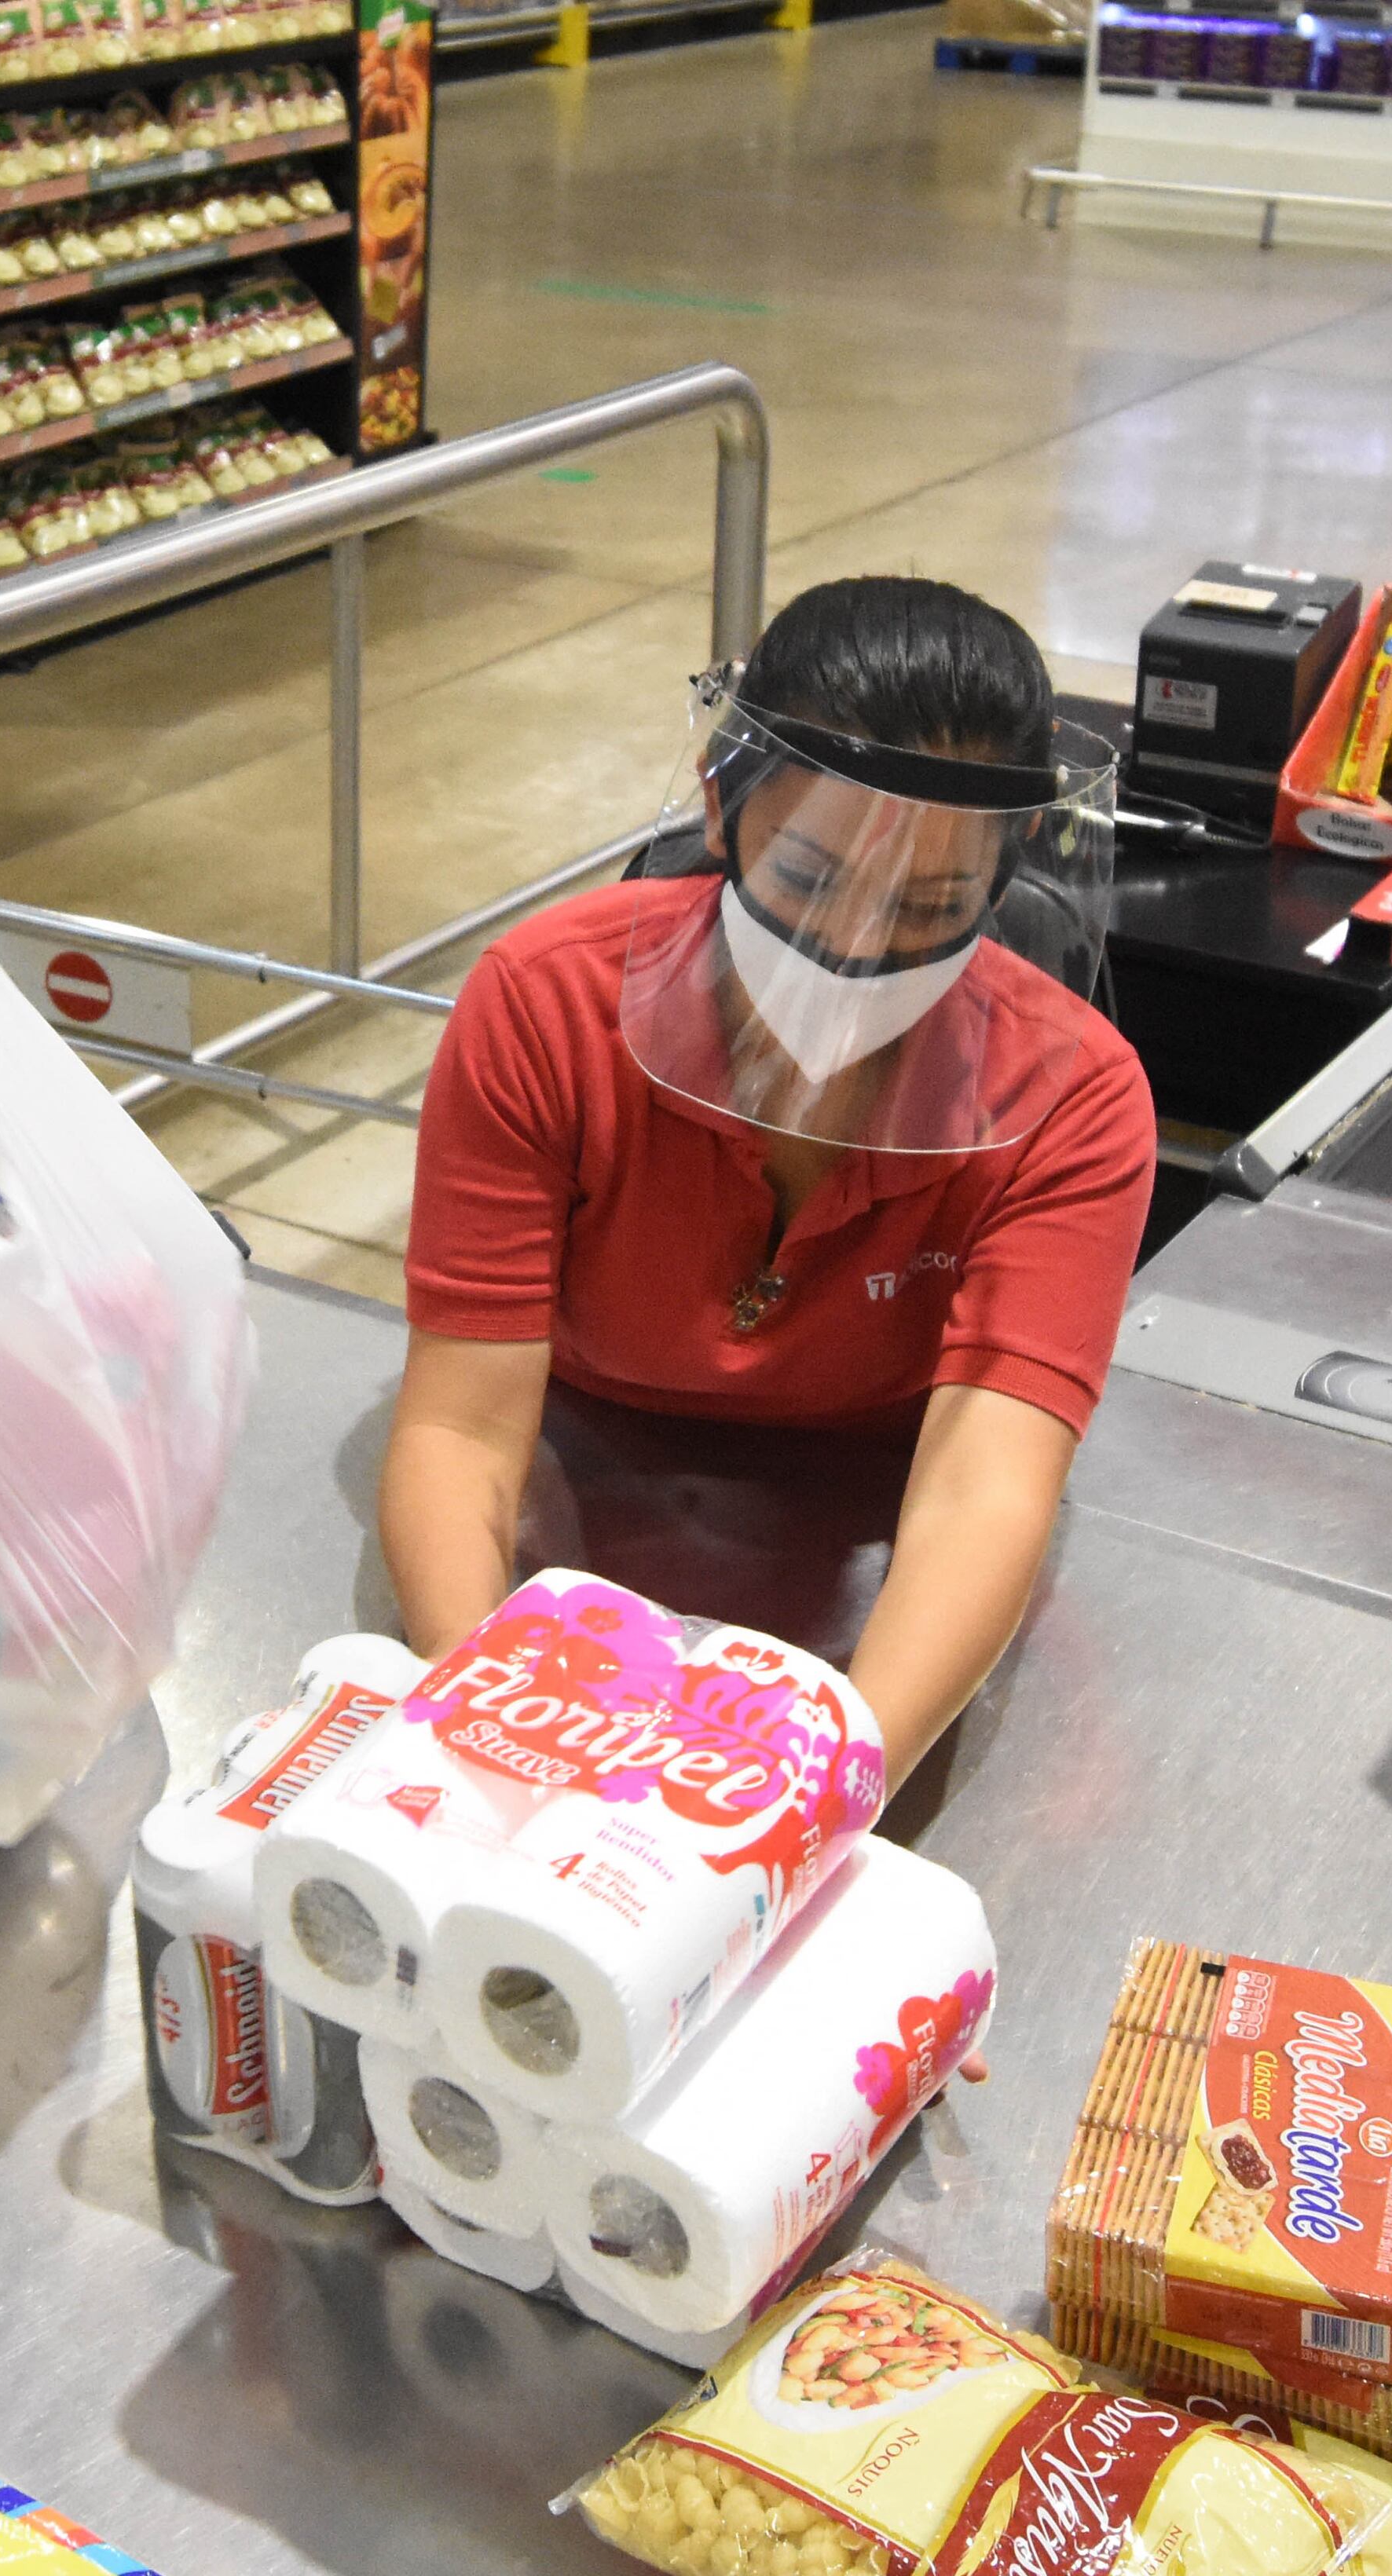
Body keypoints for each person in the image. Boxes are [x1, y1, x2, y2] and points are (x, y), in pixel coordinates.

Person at [379, 578, 1152, 1785]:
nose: (855, 948)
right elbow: (461, 1427)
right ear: (720, 815)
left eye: (934, 906)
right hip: (572, 1483)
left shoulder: (1070, 1097)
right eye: (804, 880)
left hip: (878, 1528)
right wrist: (475, 1720)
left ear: (1006, 884)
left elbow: (985, 1488)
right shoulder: (545, 1005)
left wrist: (824, 1800)